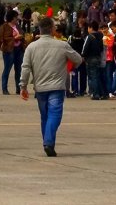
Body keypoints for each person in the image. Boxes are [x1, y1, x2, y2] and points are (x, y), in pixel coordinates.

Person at [21, 17, 84, 156]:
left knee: (45, 116)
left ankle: (48, 143)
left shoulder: (31, 47)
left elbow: (25, 68)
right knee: (54, 114)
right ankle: (48, 142)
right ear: (53, 29)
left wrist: (23, 86)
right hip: (57, 86)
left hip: (40, 87)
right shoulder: (62, 45)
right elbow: (78, 59)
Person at [0, 9, 24, 95]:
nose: (17, 19)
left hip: (18, 49)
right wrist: (15, 38)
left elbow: (22, 34)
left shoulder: (18, 26)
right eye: (16, 17)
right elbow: (2, 38)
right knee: (7, 69)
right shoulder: (4, 27)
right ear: (12, 18)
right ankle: (4, 89)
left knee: (19, 69)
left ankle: (18, 88)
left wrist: (22, 37)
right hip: (9, 50)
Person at [81, 22, 107, 100]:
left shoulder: (89, 37)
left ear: (91, 28)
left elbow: (84, 49)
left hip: (90, 58)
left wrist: (83, 56)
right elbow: (102, 48)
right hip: (98, 57)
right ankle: (102, 93)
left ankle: (95, 93)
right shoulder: (101, 36)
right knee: (98, 76)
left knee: (92, 77)